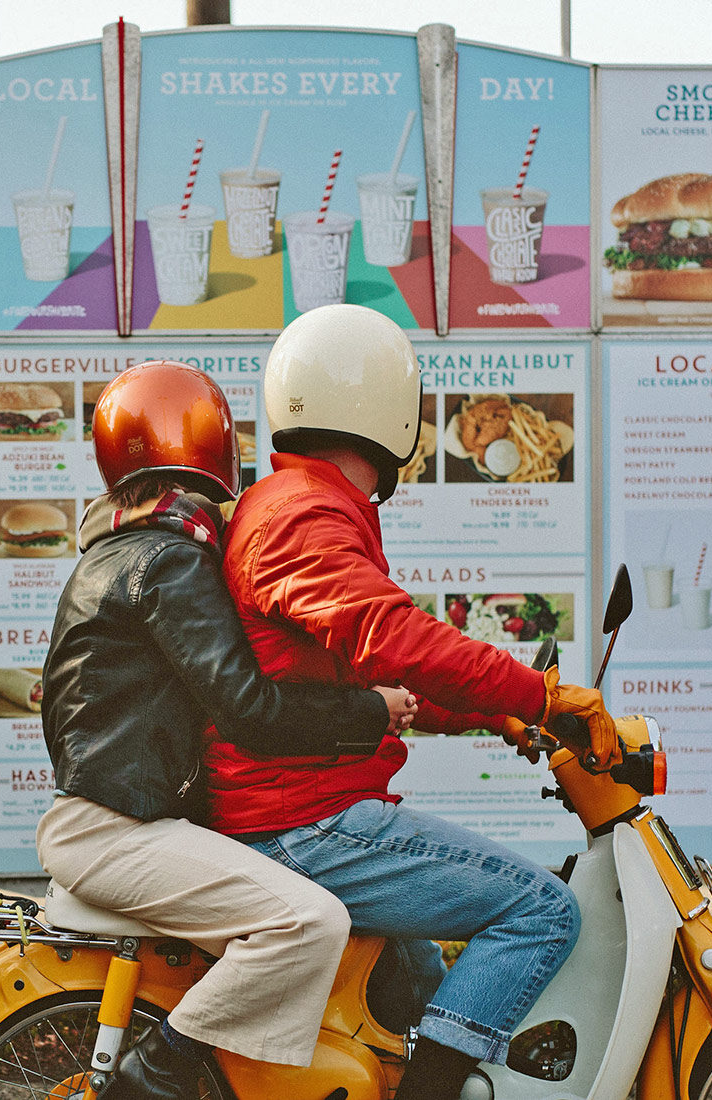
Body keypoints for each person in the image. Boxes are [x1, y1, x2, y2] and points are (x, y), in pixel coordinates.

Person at [205, 304, 622, 1100]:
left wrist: (494, 716)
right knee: (541, 909)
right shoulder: (304, 515)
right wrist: (541, 695)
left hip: (300, 807)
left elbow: (364, 677)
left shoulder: (297, 502)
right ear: (390, 413)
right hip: (304, 821)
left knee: (418, 975)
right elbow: (391, 638)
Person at [36, 359, 418, 1100]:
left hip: (104, 820)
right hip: (120, 830)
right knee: (308, 922)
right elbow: (250, 712)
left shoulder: (112, 550)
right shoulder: (174, 561)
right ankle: (154, 1075)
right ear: (220, 452)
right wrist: (369, 711)